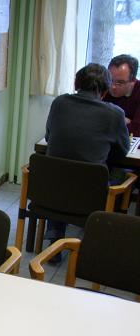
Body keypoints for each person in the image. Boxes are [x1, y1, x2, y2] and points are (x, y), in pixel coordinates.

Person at [44, 63, 129, 246]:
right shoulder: (115, 114)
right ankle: (100, 231)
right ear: (105, 91)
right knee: (121, 172)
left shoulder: (59, 103)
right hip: (90, 194)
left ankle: (55, 233)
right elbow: (123, 151)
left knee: (63, 169)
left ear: (76, 84)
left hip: (51, 191)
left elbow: (48, 137)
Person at [103, 54, 140, 136]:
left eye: (120, 83)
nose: (112, 86)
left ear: (133, 80)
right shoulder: (103, 86)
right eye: (110, 80)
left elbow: (137, 131)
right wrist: (125, 121)